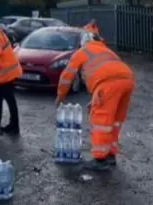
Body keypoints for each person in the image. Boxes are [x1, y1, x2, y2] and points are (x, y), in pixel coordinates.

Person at [55, 32, 135, 171]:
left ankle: (100, 159)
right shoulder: (106, 50)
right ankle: (110, 155)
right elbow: (107, 72)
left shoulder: (83, 51)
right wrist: (95, 100)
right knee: (114, 121)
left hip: (108, 83)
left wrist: (61, 95)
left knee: (101, 121)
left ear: (83, 42)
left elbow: (67, 75)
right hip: (127, 80)